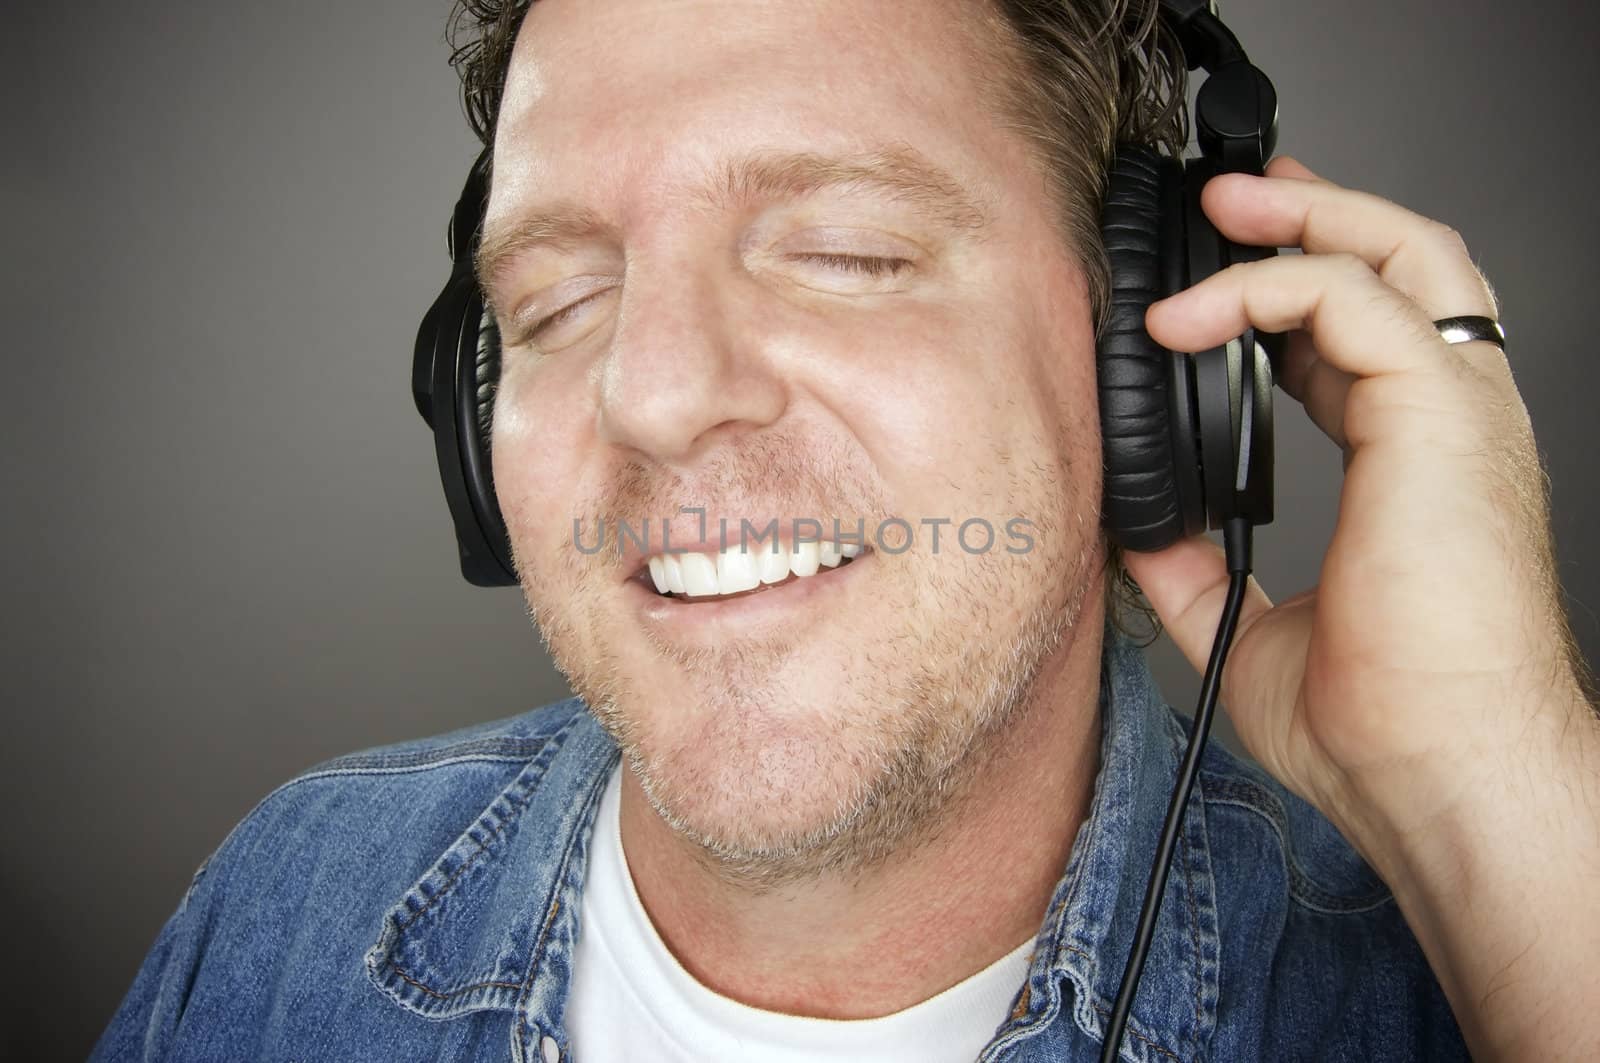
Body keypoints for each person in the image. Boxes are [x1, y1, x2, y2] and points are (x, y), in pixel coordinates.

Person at [94, 1, 1599, 1060]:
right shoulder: (287, 902)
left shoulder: (1454, 989)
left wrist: (1497, 786)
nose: (659, 395)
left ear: (1155, 355)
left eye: (847, 252)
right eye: (556, 303)